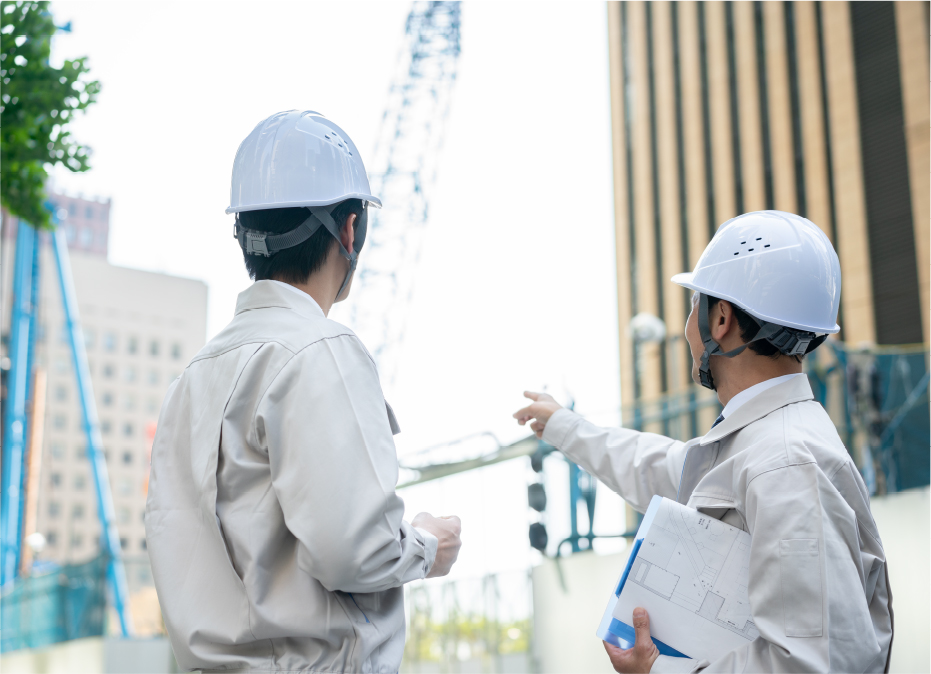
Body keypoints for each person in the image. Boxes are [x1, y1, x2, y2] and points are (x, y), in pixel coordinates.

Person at [146, 110, 462, 672]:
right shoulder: (320, 351)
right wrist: (428, 544)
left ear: (244, 236)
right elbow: (354, 551)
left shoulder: (191, 380)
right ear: (350, 230)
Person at [514, 211, 893, 673]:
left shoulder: (785, 463)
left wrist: (659, 672)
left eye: (695, 304)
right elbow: (657, 467)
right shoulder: (759, 444)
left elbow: (814, 664)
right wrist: (564, 426)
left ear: (721, 318)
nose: (688, 324)